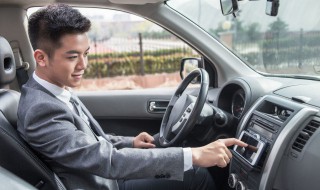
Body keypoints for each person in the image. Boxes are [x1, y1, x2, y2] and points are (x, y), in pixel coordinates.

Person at [17, 4, 247, 190]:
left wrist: (130, 142)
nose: (83, 65)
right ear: (41, 58)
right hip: (102, 182)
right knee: (195, 174)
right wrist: (193, 155)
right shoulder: (41, 109)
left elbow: (86, 142)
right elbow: (109, 161)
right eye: (72, 57)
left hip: (104, 176)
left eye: (86, 54)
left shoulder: (53, 89)